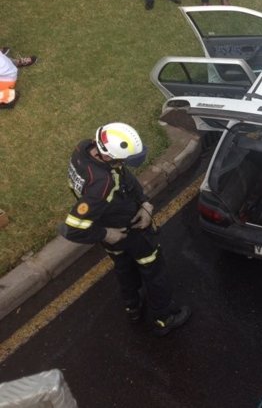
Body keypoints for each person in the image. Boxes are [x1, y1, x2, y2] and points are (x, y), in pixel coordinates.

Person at [60, 122, 191, 336]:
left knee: (123, 268)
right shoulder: (101, 186)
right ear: (110, 156)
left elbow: (124, 176)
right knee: (154, 271)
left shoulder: (84, 149)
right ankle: (164, 318)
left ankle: (133, 307)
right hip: (129, 231)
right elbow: (72, 228)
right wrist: (107, 234)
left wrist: (144, 201)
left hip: (111, 231)